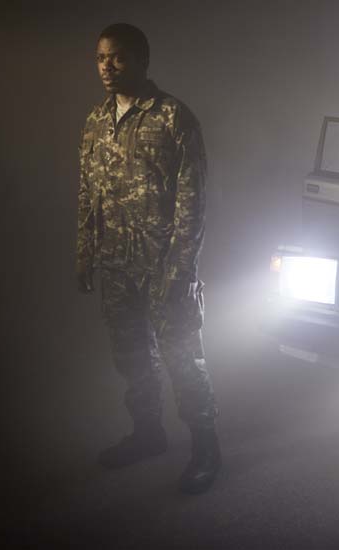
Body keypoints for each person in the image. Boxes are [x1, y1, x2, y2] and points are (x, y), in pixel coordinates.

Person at [76, 23, 220, 494]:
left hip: (164, 266)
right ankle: (148, 434)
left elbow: (193, 201)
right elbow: (88, 192)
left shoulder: (173, 117)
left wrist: (181, 268)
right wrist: (86, 253)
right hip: (117, 264)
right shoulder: (97, 120)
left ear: (141, 60)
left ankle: (206, 449)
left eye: (117, 57)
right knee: (132, 357)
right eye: (101, 58)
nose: (107, 67)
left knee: (182, 358)